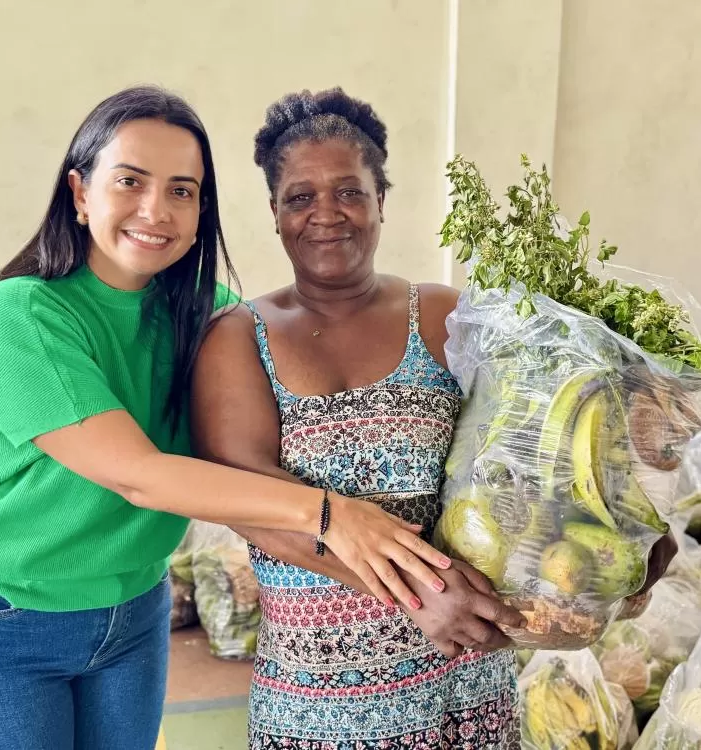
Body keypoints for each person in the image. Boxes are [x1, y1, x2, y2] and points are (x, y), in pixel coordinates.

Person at [0, 85, 455, 750]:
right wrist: (331, 513)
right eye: (129, 181)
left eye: (182, 190)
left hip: (133, 619)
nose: (157, 209)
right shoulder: (19, 315)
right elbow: (140, 475)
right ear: (80, 193)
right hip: (6, 623)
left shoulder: (208, 316)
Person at [192, 87, 527, 750]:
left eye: (349, 191)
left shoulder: (444, 315)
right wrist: (417, 593)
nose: (326, 214)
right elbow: (248, 498)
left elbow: (522, 454)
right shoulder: (236, 336)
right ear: (275, 213)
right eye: (300, 196)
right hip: (320, 700)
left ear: (382, 200)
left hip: (466, 685)